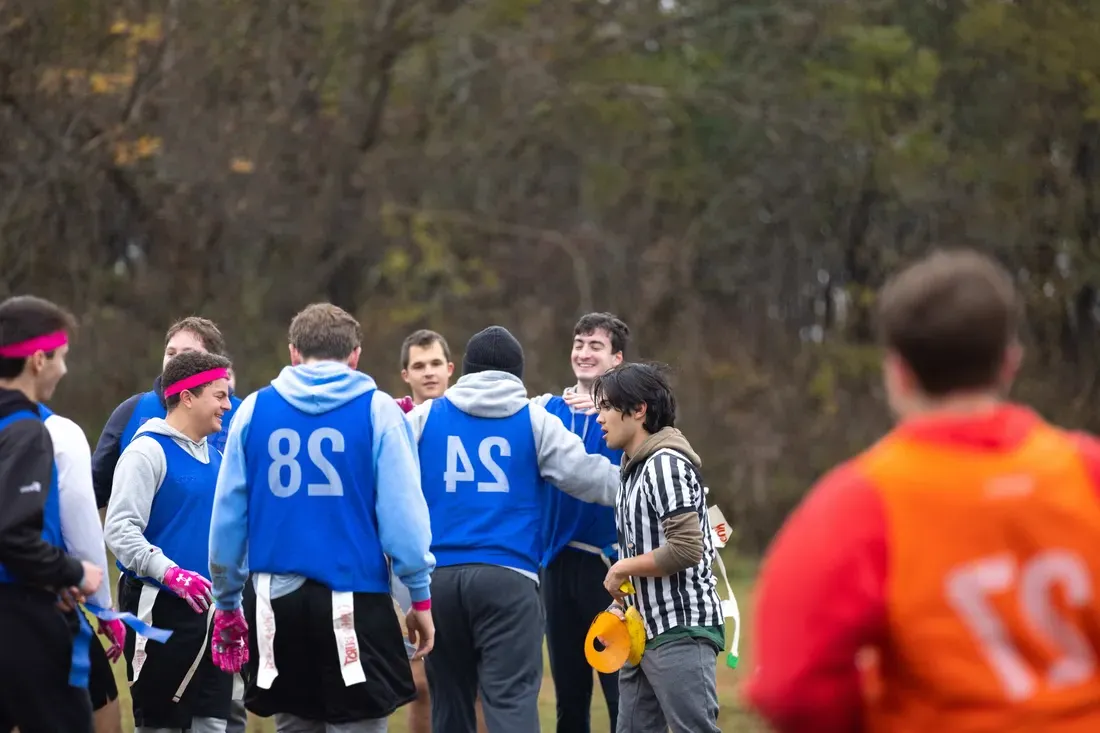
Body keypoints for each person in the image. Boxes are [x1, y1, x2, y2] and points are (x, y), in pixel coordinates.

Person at [745, 250, 1100, 731]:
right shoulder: (1086, 471)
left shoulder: (859, 503)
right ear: (1009, 362)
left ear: (898, 371)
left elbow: (789, 687)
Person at [208, 303, 435, 733]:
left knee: (294, 724)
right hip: (353, 598)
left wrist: (227, 600)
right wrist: (418, 596)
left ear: (293, 353)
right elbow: (403, 518)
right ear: (355, 356)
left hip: (276, 602)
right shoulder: (379, 410)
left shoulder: (253, 410)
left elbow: (228, 519)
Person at [404, 325, 621, 733]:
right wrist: (655, 485)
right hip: (509, 579)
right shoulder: (534, 420)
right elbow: (589, 477)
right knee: (511, 702)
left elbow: (389, 489)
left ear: (464, 370)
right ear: (516, 374)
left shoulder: (423, 417)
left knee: (449, 704)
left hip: (440, 581)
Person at [104, 351, 235, 733]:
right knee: (161, 725)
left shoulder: (216, 457)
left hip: (211, 618)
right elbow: (120, 529)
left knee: (212, 725)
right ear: (187, 397)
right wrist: (172, 574)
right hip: (158, 613)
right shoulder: (146, 452)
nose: (228, 404)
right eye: (219, 395)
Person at [593, 362, 724, 733]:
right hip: (641, 633)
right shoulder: (632, 470)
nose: (600, 418)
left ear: (638, 410)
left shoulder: (665, 464)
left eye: (607, 407)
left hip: (680, 630)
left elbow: (686, 548)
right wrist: (620, 605)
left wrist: (621, 568)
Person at [0, 295, 104, 733]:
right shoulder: (28, 431)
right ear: (38, 360)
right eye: (62, 357)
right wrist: (72, 572)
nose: (64, 370)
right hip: (21, 623)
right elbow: (12, 535)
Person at [532, 312, 629, 733]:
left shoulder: (633, 415)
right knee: (569, 698)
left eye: (596, 346)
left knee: (620, 691)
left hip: (610, 572)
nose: (584, 353)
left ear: (616, 359)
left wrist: (608, 408)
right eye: (579, 344)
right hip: (554, 568)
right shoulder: (544, 411)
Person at [92, 316, 240, 509]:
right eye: (170, 353)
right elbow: (94, 491)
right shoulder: (132, 411)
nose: (175, 360)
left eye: (188, 353)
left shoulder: (242, 415)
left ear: (215, 363)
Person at [41, 401, 127, 733]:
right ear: (36, 361)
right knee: (101, 706)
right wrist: (103, 607)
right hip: (43, 606)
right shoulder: (59, 434)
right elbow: (82, 530)